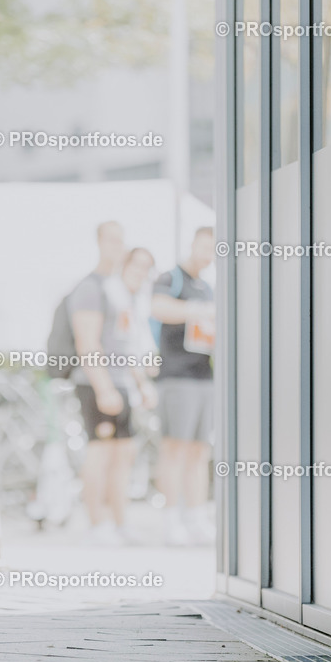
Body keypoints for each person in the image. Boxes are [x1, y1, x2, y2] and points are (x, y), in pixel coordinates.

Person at [69, 223, 156, 546]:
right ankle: (97, 524)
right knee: (100, 453)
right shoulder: (91, 287)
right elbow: (87, 341)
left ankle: (120, 523)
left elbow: (126, 343)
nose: (118, 247)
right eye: (112, 241)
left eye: (122, 241)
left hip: (122, 384)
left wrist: (140, 383)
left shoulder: (120, 290)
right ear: (100, 243)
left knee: (124, 454)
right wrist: (104, 387)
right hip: (96, 383)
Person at [150, 226, 216, 546]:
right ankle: (171, 518)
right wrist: (195, 311)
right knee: (174, 448)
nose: (207, 254)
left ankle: (196, 515)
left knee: (199, 450)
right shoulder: (170, 278)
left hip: (205, 375)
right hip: (176, 376)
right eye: (204, 246)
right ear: (193, 244)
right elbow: (158, 308)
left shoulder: (208, 287)